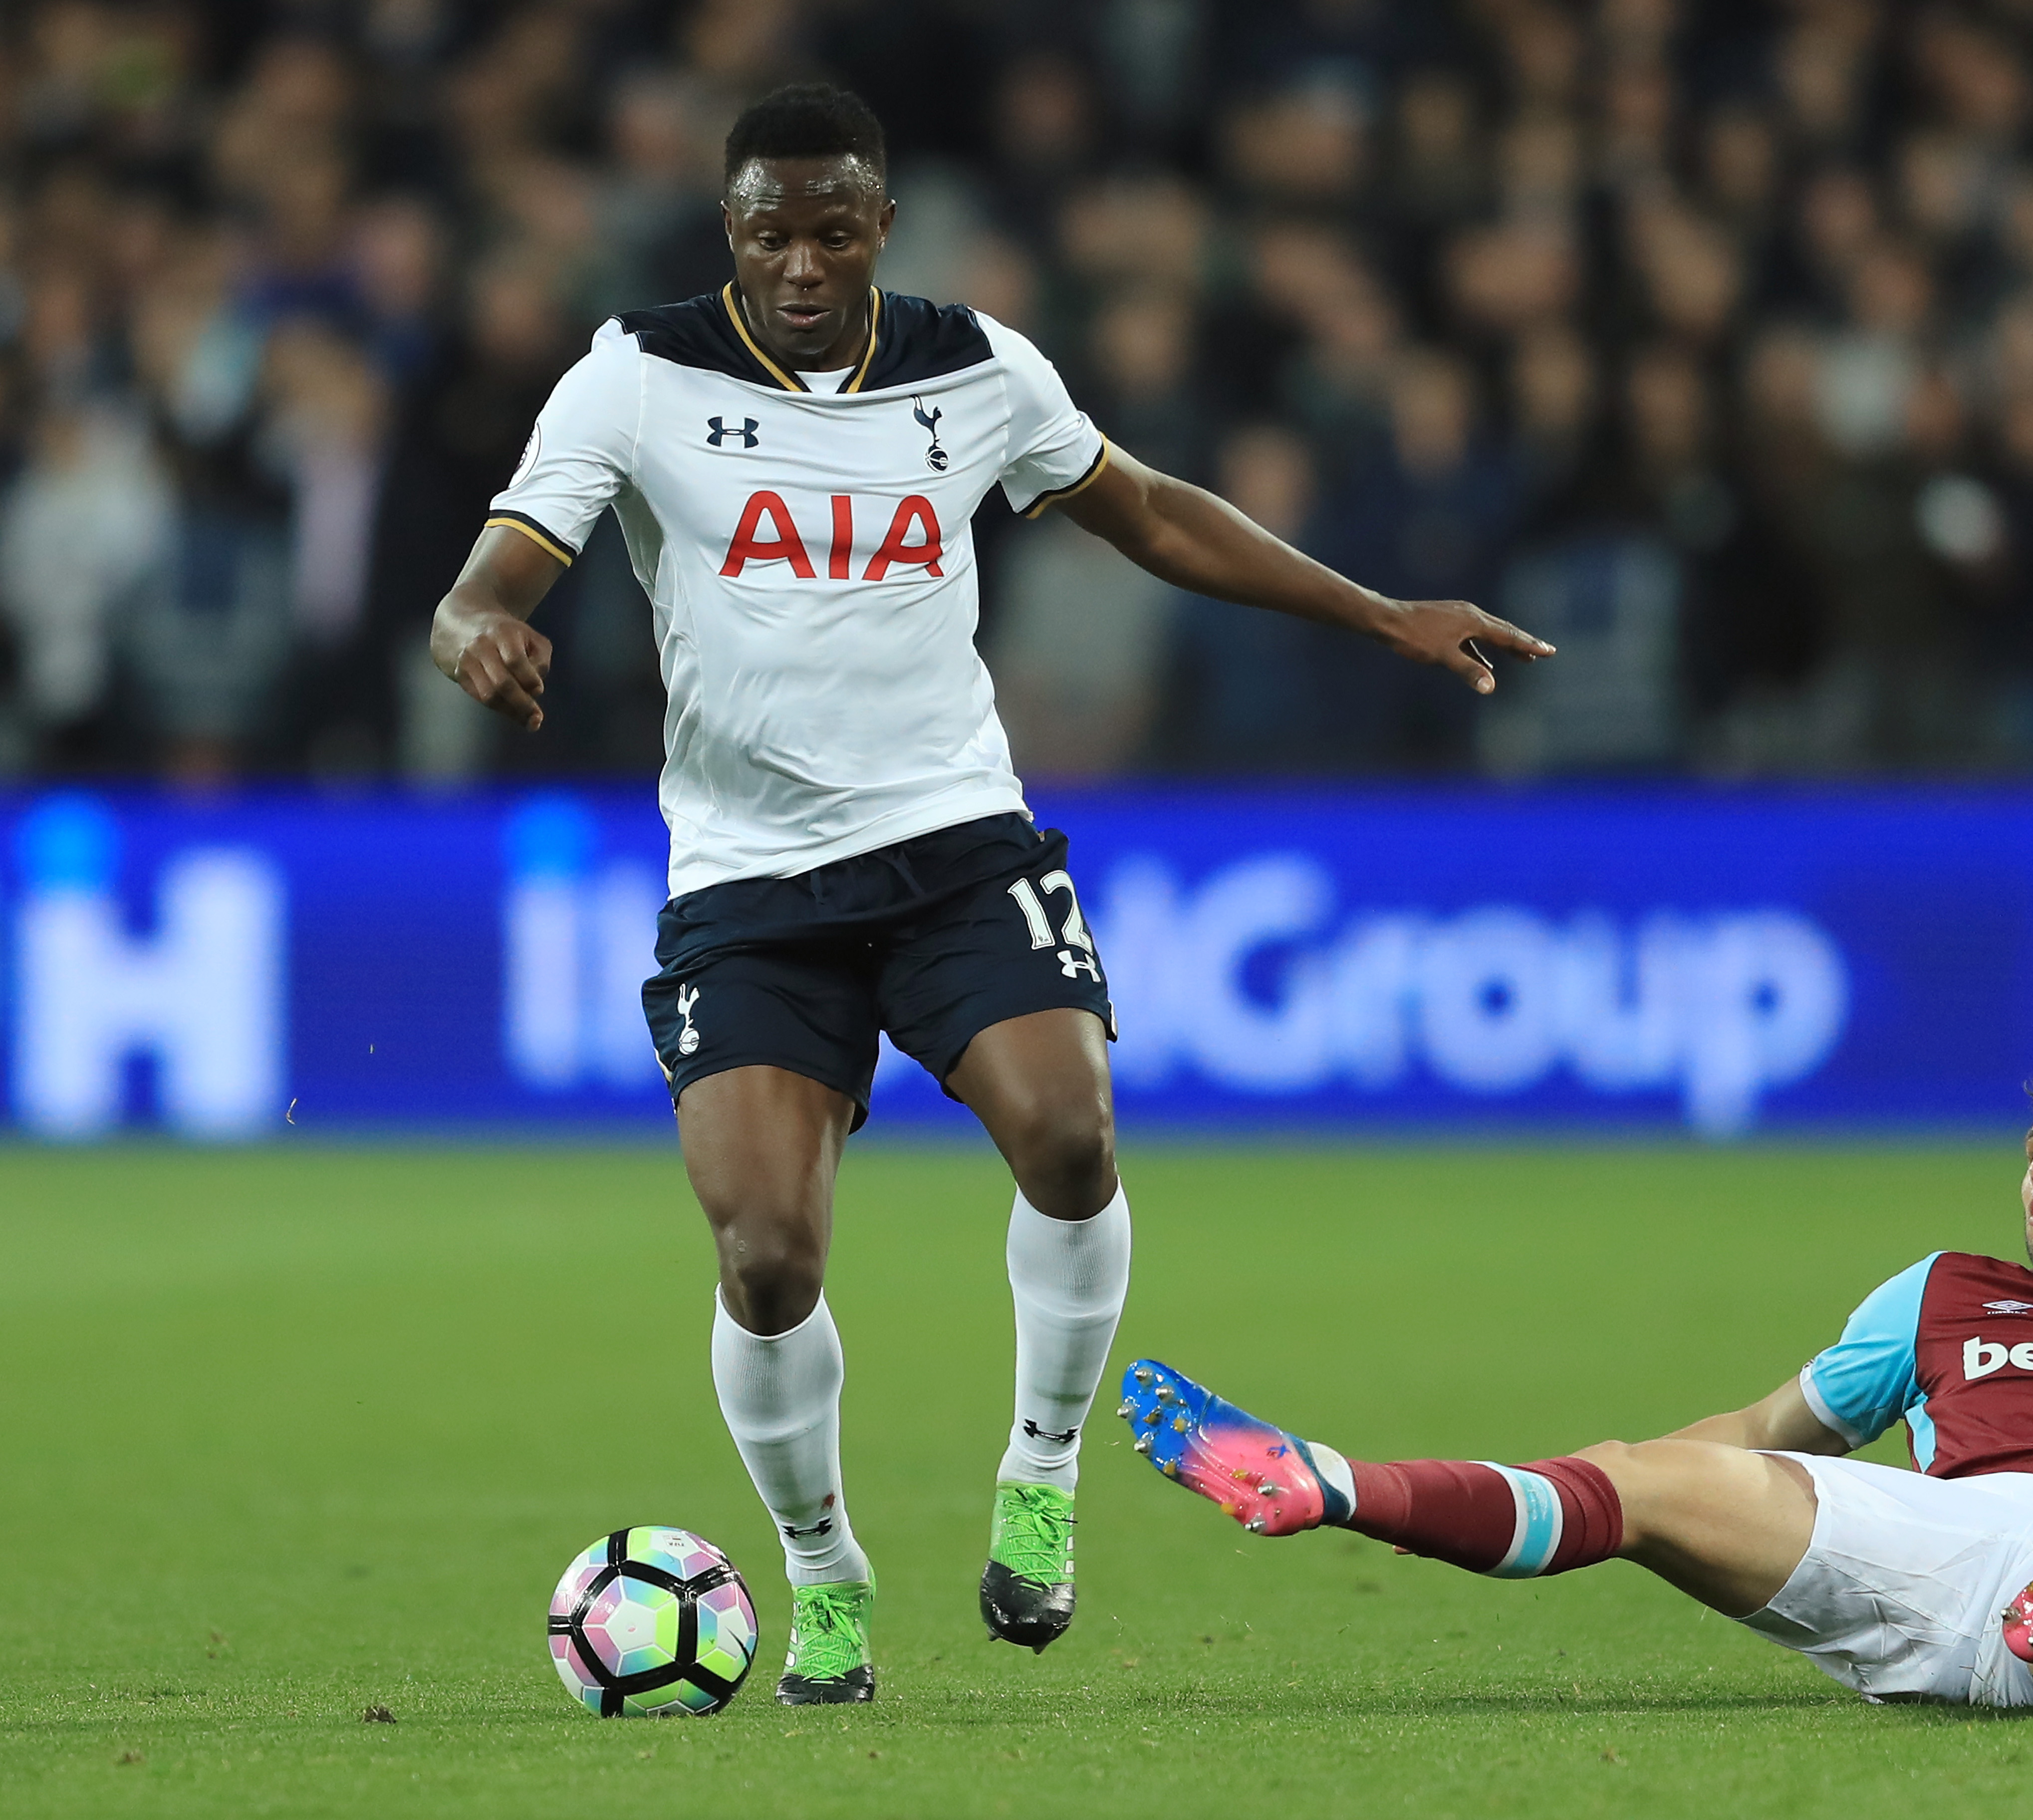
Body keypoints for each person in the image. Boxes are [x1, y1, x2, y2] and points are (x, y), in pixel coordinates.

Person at [426, 84, 1549, 1704]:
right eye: (767, 233)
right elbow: (498, 569)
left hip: (957, 841)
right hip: (748, 878)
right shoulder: (637, 374)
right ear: (726, 234)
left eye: (831, 230)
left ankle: (1040, 1474)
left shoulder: (978, 367)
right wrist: (475, 626)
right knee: (764, 1258)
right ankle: (823, 1573)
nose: (800, 263)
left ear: (882, 226)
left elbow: (1151, 511)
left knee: (1072, 1134)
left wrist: (1380, 615)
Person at [1126, 1053, 2033, 1708]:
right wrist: (1639, 1473)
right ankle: (1328, 1485)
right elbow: (1771, 1429)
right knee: (1646, 1480)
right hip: (1940, 1559)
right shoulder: (1942, 1292)